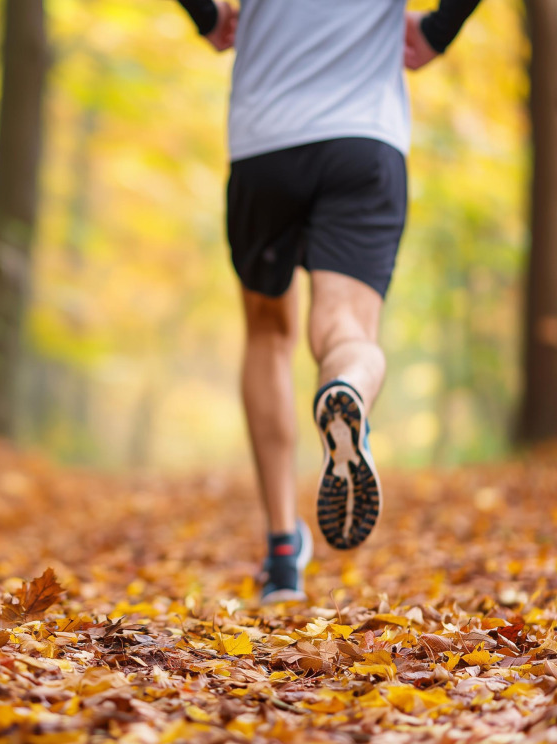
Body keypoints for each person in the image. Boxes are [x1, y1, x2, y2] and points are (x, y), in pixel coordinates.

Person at [176, 0, 483, 602]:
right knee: (344, 329)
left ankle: (282, 553)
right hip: (362, 138)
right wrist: (440, 30)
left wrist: (205, 15)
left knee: (268, 331)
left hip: (265, 139)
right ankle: (347, 395)